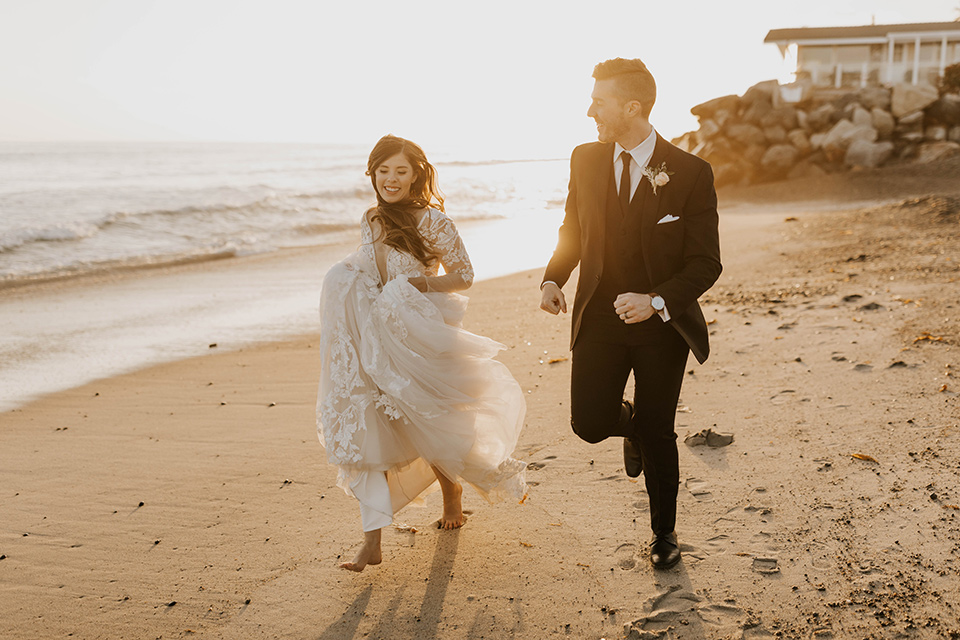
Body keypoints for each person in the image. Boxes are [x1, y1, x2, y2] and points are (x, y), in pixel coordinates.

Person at [539, 58, 721, 570]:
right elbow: (573, 226)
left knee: (659, 427)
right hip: (598, 315)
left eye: (599, 101)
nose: (590, 110)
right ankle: (631, 429)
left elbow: (706, 263)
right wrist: (555, 277)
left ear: (632, 107)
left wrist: (657, 300)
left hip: (662, 326)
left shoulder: (690, 173)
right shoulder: (586, 159)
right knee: (590, 423)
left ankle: (665, 533)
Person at [317, 135, 527, 572]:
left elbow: (464, 277)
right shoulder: (371, 217)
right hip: (371, 336)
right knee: (371, 429)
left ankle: (452, 493)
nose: (390, 179)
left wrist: (414, 285)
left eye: (400, 171)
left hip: (420, 335)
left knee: (431, 420)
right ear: (372, 174)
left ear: (418, 175)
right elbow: (367, 271)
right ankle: (371, 541)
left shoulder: (435, 223)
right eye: (383, 171)